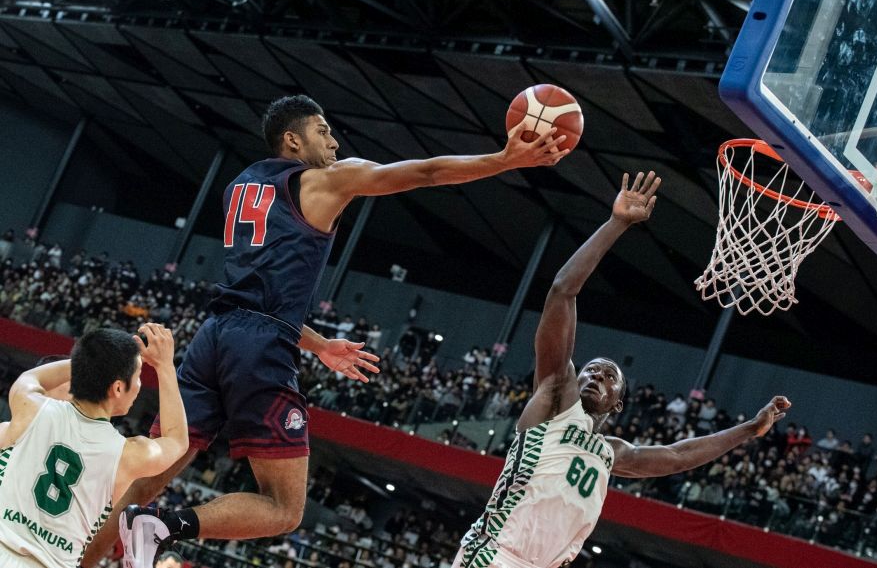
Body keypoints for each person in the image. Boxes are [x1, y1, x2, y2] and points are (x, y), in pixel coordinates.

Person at [87, 94, 568, 567]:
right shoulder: (326, 180)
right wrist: (504, 160)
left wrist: (317, 344)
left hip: (213, 335)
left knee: (150, 476)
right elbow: (425, 173)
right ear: (293, 140)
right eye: (323, 132)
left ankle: (78, 560)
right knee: (284, 509)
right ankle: (166, 526)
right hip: (259, 348)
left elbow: (256, 293)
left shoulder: (241, 184)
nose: (335, 143)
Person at [453, 172, 792, 568]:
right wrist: (616, 223)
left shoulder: (612, 453)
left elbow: (678, 455)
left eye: (609, 376)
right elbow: (562, 291)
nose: (597, 375)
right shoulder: (555, 401)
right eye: (592, 370)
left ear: (617, 404)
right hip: (494, 553)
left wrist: (750, 429)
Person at [0, 324, 188, 568]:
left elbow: (30, 377)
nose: (140, 384)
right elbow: (177, 440)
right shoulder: (127, 455)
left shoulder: (32, 407)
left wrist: (92, 362)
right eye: (138, 376)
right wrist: (165, 367)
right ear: (118, 388)